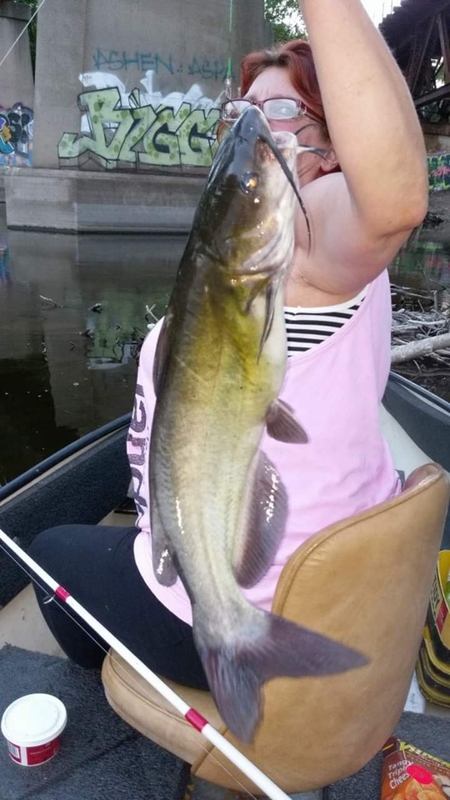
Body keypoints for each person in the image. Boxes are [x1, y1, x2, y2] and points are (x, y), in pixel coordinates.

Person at [29, 0, 428, 691]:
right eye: (240, 113)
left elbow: (392, 204)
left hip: (248, 594)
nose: (252, 126)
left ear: (336, 151)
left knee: (48, 553)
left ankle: (114, 697)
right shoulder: (265, 250)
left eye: (282, 113)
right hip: (259, 547)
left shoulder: (308, 238)